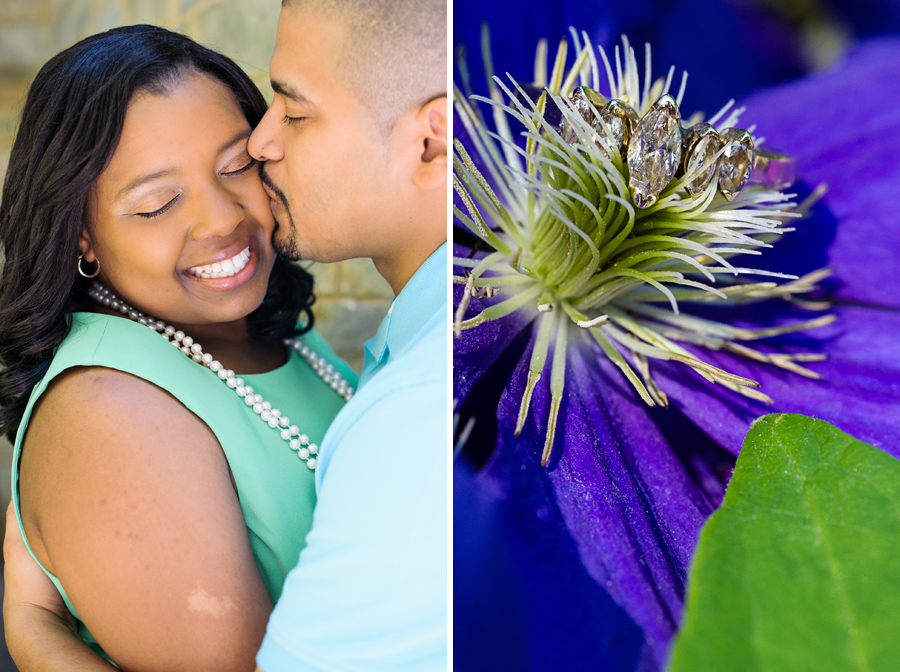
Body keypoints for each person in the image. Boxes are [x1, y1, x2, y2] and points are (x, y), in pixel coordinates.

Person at [5, 0, 449, 669]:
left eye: (236, 165)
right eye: (156, 204)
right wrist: (31, 638)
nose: (220, 220)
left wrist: (36, 637)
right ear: (82, 235)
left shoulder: (269, 338)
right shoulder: (106, 410)